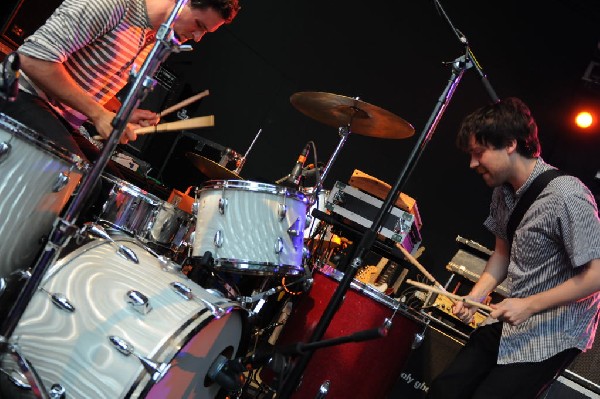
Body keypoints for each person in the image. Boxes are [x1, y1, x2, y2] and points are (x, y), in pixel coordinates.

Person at [426, 97, 600, 399]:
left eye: (479, 153)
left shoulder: (567, 195)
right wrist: (475, 296)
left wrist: (528, 305)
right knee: (444, 391)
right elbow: (502, 255)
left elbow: (597, 275)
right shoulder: (502, 192)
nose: (472, 163)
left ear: (509, 143)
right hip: (512, 316)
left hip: (554, 331)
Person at [0, 0, 240, 162]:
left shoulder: (157, 40)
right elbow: (32, 60)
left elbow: (83, 83)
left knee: (103, 188)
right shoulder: (114, 5)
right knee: (71, 173)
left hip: (59, 118)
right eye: (199, 25)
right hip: (18, 93)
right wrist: (98, 114)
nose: (197, 38)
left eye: (205, 32)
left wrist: (117, 112)